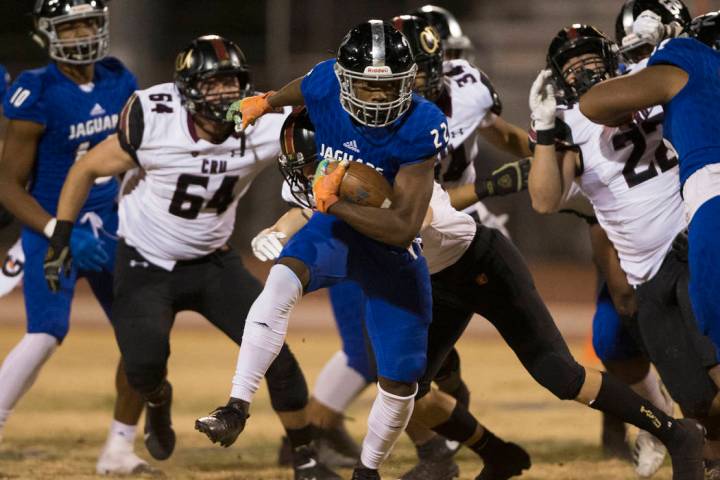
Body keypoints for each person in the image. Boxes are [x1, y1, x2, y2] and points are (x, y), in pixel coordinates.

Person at [41, 34, 341, 480]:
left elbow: (320, 182)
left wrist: (284, 226)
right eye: (212, 84)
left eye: (231, 83)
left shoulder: (262, 124)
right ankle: (158, 402)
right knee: (143, 365)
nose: (224, 93)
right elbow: (86, 168)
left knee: (276, 355)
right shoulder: (153, 118)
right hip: (147, 262)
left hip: (213, 261)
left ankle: (306, 460)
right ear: (185, 88)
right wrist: (60, 234)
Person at [194, 21, 449, 480]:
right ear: (345, 80)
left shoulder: (422, 123)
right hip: (335, 229)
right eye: (366, 87)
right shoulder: (327, 81)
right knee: (278, 279)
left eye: (386, 87)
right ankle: (235, 405)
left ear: (406, 82)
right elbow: (308, 87)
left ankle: (368, 470)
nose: (375, 97)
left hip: (391, 246)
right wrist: (266, 101)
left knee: (399, 380)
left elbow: (402, 225)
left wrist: (331, 200)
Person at [0, 1, 149, 474]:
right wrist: (53, 231)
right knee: (46, 333)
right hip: (52, 229)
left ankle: (119, 449)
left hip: (111, 228)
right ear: (47, 33)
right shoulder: (36, 91)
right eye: (71, 25)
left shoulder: (118, 77)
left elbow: (138, 152)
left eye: (89, 22)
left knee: (143, 337)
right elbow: (6, 183)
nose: (83, 32)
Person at [580, 11, 720, 472]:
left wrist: (654, 61)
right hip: (658, 253)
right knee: (697, 390)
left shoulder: (687, 59)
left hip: (702, 214)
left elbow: (595, 104)